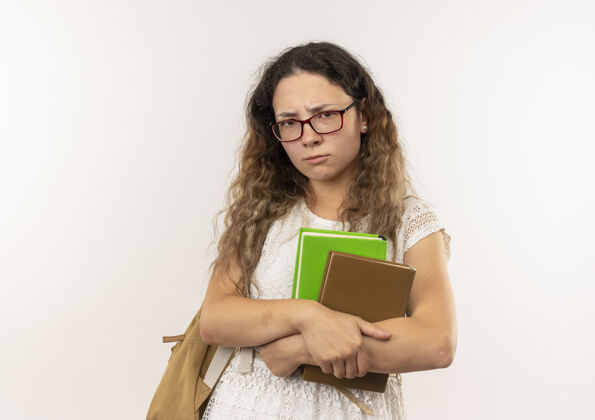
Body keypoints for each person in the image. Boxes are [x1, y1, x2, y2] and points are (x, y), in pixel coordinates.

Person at [199, 41, 456, 419]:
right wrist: (307, 316)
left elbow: (437, 341)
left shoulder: (406, 219)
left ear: (364, 116)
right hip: (249, 407)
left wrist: (300, 350)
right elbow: (216, 318)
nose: (308, 136)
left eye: (324, 115)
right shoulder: (262, 213)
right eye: (289, 122)